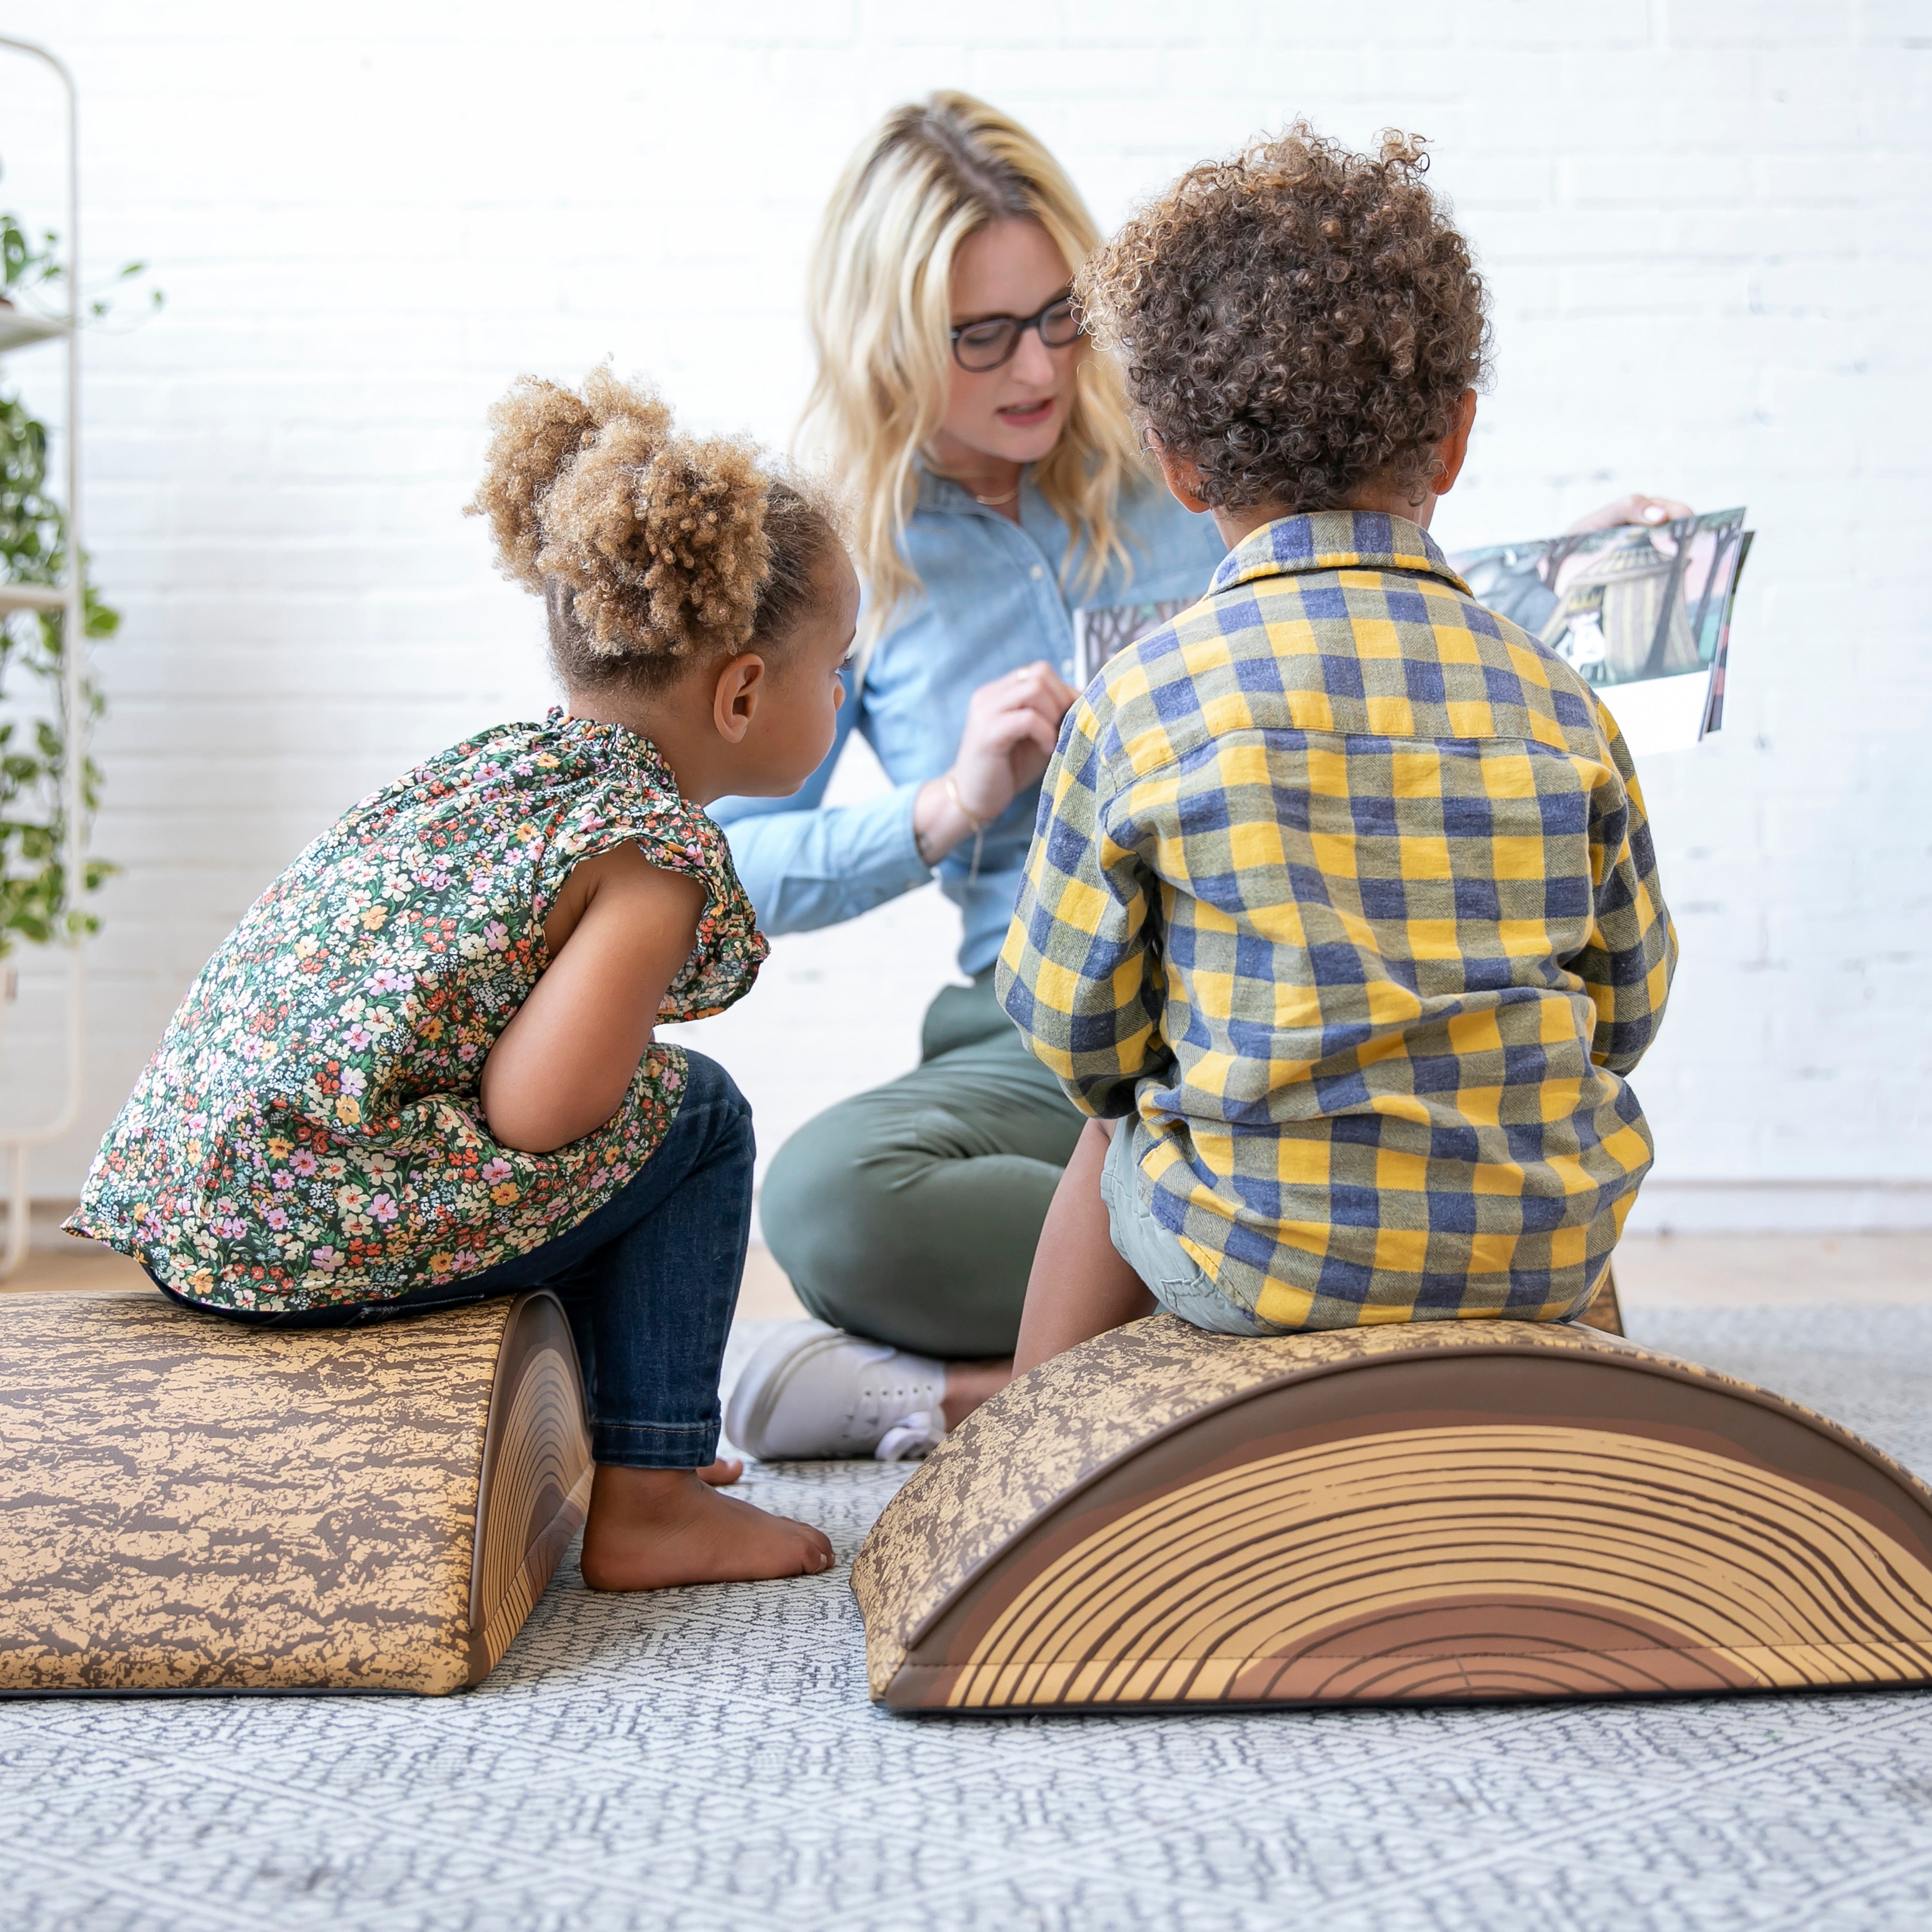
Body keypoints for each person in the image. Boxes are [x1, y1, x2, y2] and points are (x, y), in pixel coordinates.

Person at [721, 93, 1689, 1462]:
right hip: (1080, 1028)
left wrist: (1562, 584)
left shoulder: (1198, 452)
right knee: (838, 1194)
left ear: (1178, 463)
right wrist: (948, 804)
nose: (1040, 369)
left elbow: (1376, 628)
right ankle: (1375, 1330)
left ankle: (1051, 1419)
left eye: (1063, 317)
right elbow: (730, 867)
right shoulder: (848, 564)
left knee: (1126, 1130)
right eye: (982, 335)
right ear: (886, 343)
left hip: (1244, 1008)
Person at [68, 369, 853, 1591]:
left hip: (182, 1197)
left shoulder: (504, 770)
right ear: (742, 693)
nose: (844, 694)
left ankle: (623, 1416)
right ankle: (649, 1496)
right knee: (692, 1117)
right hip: (289, 1230)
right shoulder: (655, 854)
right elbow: (539, 1118)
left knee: (625, 1127)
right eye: (837, 667)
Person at [997, 126, 1678, 1367]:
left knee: (1115, 1132)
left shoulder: (1140, 699)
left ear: (1177, 463)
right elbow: (1625, 1007)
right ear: (1454, 437)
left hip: (1258, 1255)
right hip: (1542, 1248)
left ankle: (1025, 1464)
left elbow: (1068, 1028)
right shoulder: (1558, 701)